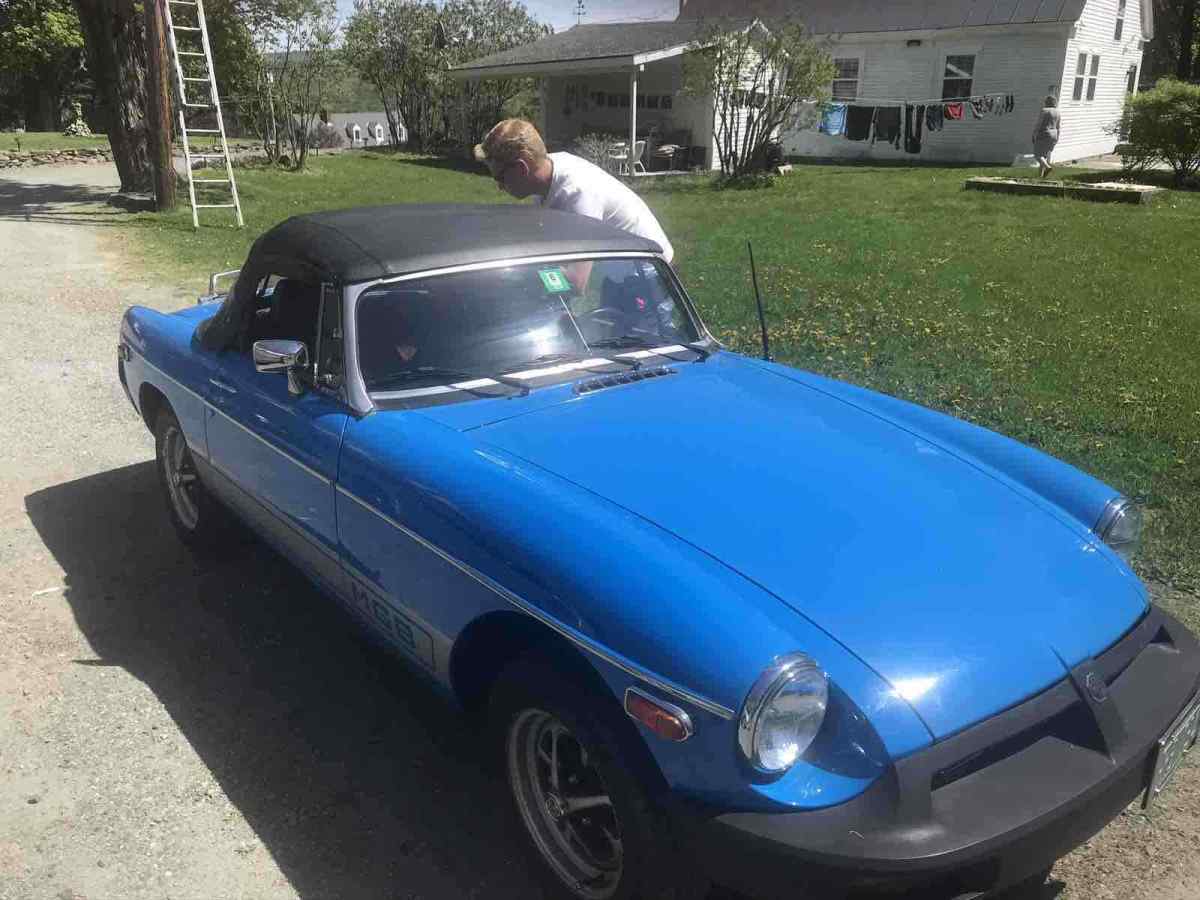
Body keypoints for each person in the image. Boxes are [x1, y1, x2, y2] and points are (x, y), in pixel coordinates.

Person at [473, 119, 674, 290]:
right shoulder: (545, 172)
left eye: (500, 177)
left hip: (650, 275)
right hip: (619, 270)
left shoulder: (577, 193)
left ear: (521, 169)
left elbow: (576, 283)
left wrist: (521, 273)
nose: (499, 186)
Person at [1032, 95, 1061, 179]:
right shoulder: (1057, 112)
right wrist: (1057, 138)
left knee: (1037, 155)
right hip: (1054, 134)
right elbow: (1058, 126)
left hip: (1044, 133)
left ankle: (1048, 167)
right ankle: (1041, 176)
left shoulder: (1044, 110)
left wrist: (1034, 134)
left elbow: (1039, 124)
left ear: (1046, 102)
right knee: (1043, 156)